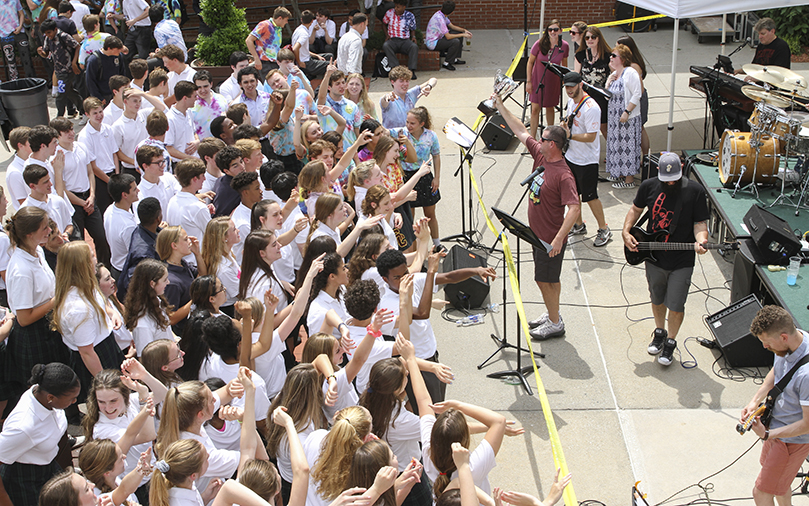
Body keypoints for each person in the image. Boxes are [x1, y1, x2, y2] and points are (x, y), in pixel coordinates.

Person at [493, 95, 579, 341]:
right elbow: (520, 131)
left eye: (543, 138)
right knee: (547, 279)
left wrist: (559, 239)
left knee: (544, 280)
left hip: (550, 238)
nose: (538, 140)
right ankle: (553, 314)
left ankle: (555, 322)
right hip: (537, 233)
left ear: (553, 144)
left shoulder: (563, 175)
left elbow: (574, 208)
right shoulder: (541, 157)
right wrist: (501, 106)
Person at [621, 152, 709, 366]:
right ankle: (659, 331)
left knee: (676, 304)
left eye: (674, 178)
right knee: (657, 297)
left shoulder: (695, 192)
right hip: (653, 255)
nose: (670, 182)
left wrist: (701, 240)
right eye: (666, 179)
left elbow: (700, 224)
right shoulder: (649, 186)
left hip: (682, 259)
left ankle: (671, 341)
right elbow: (635, 209)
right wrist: (626, 232)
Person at [742, 305, 809, 506]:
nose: (765, 347)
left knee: (761, 493)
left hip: (790, 443)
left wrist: (768, 435)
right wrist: (754, 401)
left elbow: (807, 424)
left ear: (783, 337)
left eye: (766, 342)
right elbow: (777, 373)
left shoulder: (807, 375)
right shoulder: (789, 343)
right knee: (780, 486)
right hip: (775, 433)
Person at [52, 242, 126, 401]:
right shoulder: (78, 309)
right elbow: (86, 352)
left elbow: (99, 301)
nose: (95, 259)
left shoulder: (86, 284)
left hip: (106, 347)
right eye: (91, 256)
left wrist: (110, 312)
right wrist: (106, 384)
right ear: (81, 265)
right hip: (97, 357)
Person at [0, 363, 80, 506]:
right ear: (50, 397)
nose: (75, 402)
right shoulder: (23, 428)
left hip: (49, 467)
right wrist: (5, 501)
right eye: (71, 399)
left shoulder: (43, 396)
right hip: (24, 480)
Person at [559, 72, 610, 247]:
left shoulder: (592, 107)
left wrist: (570, 135)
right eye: (566, 87)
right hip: (571, 156)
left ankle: (604, 229)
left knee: (590, 197)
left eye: (572, 86)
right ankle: (579, 225)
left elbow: (591, 137)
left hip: (587, 160)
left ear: (581, 84)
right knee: (573, 195)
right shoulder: (570, 102)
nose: (569, 90)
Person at [605, 44, 642, 189]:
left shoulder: (630, 72)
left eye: (614, 56)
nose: (611, 58)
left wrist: (627, 111)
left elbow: (637, 93)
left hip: (627, 117)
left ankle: (629, 179)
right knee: (616, 145)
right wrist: (608, 83)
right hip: (614, 118)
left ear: (623, 59)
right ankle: (618, 173)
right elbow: (608, 95)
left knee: (628, 146)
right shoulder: (614, 75)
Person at [124, 258, 176, 356]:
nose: (168, 282)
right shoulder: (142, 325)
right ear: (152, 284)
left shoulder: (157, 301)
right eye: (164, 280)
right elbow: (146, 359)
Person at [527, 19, 569, 138]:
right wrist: (529, 81)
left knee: (550, 107)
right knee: (535, 109)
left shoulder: (564, 46)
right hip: (538, 80)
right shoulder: (539, 43)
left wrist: (564, 79)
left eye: (555, 29)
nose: (553, 32)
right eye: (550, 29)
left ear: (560, 31)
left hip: (553, 81)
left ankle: (550, 136)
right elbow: (530, 63)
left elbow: (564, 64)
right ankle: (532, 138)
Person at [77, 97, 119, 215]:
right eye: (95, 113)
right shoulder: (84, 136)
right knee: (105, 211)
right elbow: (92, 167)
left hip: (112, 175)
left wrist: (116, 175)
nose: (99, 115)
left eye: (100, 111)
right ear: (87, 114)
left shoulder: (108, 129)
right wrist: (110, 181)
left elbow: (114, 154)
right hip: (99, 179)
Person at [37, 18, 83, 119]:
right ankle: (83, 110)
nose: (48, 35)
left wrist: (74, 62)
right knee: (70, 92)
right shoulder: (47, 39)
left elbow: (77, 46)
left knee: (60, 95)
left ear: (55, 29)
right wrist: (41, 53)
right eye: (46, 33)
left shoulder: (64, 36)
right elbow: (46, 53)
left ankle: (59, 117)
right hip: (58, 70)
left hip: (67, 70)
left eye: (49, 32)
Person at [574, 26, 610, 137]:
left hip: (602, 96)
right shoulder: (580, 55)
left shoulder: (607, 55)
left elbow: (614, 74)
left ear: (598, 38)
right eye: (587, 37)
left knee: (603, 127)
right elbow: (576, 75)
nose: (590, 40)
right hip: (586, 96)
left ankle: (612, 152)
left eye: (593, 37)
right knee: (585, 126)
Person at [104, 173, 140, 278]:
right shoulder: (128, 226)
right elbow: (135, 254)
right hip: (127, 272)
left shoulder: (110, 209)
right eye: (134, 189)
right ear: (124, 195)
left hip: (116, 266)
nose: (138, 191)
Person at [425, 1, 470, 71]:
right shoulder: (440, 19)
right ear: (452, 12)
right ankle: (446, 63)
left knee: (458, 34)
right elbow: (448, 36)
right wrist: (463, 35)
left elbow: (452, 26)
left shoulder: (441, 14)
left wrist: (464, 31)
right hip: (433, 43)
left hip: (439, 38)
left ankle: (454, 58)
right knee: (455, 41)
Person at [85, 35, 127, 104]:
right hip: (103, 95)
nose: (120, 51)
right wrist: (98, 97)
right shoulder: (94, 60)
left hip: (116, 94)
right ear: (109, 48)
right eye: (117, 49)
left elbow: (122, 73)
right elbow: (90, 80)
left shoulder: (118, 56)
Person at [246, 6, 291, 71]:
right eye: (286, 20)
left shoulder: (278, 28)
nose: (287, 22)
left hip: (275, 62)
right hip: (265, 62)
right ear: (280, 18)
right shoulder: (264, 25)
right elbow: (249, 40)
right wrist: (256, 59)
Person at [382, 0, 419, 79]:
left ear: (404, 7)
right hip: (392, 40)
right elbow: (384, 24)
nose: (396, 8)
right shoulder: (389, 13)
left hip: (404, 40)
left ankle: (411, 70)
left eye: (398, 7)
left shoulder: (410, 15)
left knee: (414, 47)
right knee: (386, 45)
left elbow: (412, 28)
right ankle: (396, 69)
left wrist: (413, 37)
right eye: (395, 6)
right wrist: (387, 35)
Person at [166, 80, 200, 163]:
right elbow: (168, 148)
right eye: (194, 96)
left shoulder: (189, 112)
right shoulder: (169, 119)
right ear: (185, 98)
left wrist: (197, 141)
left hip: (193, 161)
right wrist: (189, 158)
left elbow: (194, 132)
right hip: (179, 164)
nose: (197, 98)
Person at [191, 69, 228, 141]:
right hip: (201, 147)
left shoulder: (221, 100)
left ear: (211, 84)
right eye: (199, 87)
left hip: (221, 144)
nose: (202, 90)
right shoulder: (191, 104)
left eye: (205, 86)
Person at [292, 10, 328, 79]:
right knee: (330, 65)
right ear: (312, 21)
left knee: (329, 56)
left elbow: (303, 50)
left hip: (307, 58)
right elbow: (295, 48)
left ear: (301, 19)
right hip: (306, 63)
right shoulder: (304, 34)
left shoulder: (297, 30)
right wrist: (299, 63)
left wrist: (316, 56)